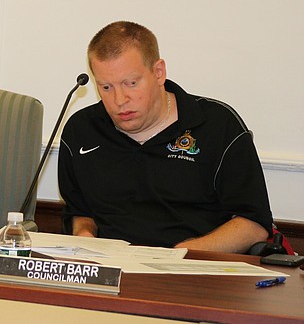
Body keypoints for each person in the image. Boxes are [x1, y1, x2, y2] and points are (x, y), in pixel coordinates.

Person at [59, 21, 273, 252]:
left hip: (195, 267)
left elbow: (253, 225)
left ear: (158, 72)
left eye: (131, 83)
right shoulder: (81, 130)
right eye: (106, 87)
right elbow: (80, 212)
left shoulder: (217, 125)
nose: (119, 100)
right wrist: (84, 235)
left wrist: (183, 254)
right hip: (111, 269)